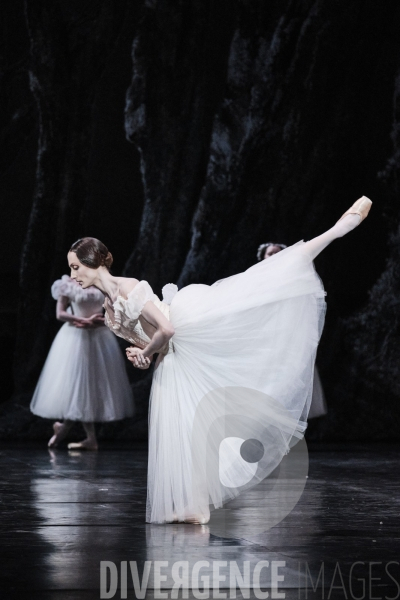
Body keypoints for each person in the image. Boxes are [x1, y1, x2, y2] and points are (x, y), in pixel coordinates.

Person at [66, 196, 372, 522]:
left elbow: (166, 328)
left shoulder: (128, 288)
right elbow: (151, 339)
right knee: (188, 432)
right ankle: (195, 506)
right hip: (174, 360)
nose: (72, 275)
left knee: (255, 288)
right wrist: (143, 355)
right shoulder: (108, 308)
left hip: (191, 328)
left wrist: (145, 350)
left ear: (95, 262)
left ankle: (336, 230)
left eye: (75, 267)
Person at [30, 274, 134, 450]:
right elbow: (60, 313)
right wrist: (83, 320)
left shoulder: (103, 284)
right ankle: (83, 436)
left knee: (92, 385)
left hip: (99, 337)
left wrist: (100, 322)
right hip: (75, 338)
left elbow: (115, 313)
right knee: (79, 385)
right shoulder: (67, 284)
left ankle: (67, 430)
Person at [257, 242, 327, 418]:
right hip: (265, 338)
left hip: (289, 337)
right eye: (270, 254)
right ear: (263, 258)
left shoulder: (296, 279)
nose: (274, 257)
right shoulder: (257, 282)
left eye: (278, 253)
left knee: (290, 383)